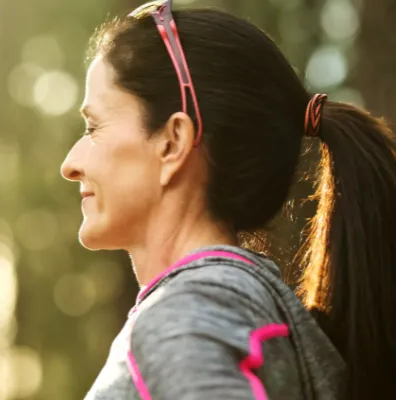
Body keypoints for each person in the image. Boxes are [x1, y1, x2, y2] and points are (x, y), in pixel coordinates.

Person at [60, 1, 396, 399]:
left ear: (173, 142)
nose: (70, 164)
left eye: (93, 126)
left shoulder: (184, 315)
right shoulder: (245, 306)